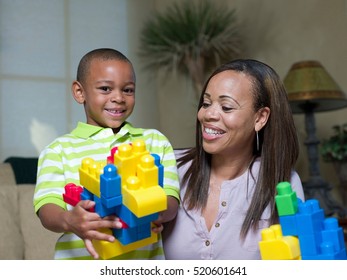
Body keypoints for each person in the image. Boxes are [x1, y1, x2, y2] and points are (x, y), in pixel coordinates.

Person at [33, 48, 179, 260]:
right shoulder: (58, 150)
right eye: (105, 88)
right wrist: (69, 219)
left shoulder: (155, 142)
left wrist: (152, 211)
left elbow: (171, 201)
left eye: (128, 90)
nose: (118, 98)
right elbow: (47, 208)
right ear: (79, 92)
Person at [162, 59, 305, 260]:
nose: (208, 114)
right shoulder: (170, 167)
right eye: (206, 103)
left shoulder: (282, 183)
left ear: (260, 118)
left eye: (226, 107)